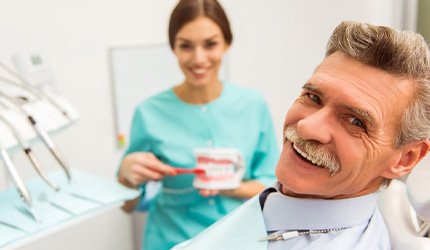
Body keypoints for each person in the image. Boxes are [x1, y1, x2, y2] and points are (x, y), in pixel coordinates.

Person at [171, 21, 430, 250]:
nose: (307, 127)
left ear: (405, 159)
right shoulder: (279, 208)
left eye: (355, 121)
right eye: (313, 97)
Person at [117, 0, 279, 249]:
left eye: (210, 44)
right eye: (186, 46)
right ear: (174, 47)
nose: (198, 58)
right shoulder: (149, 112)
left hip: (238, 239)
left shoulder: (252, 104)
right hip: (170, 240)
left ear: (227, 43)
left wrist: (229, 187)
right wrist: (126, 177)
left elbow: (272, 187)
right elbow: (128, 206)